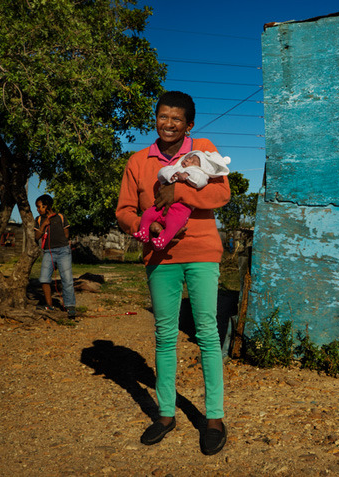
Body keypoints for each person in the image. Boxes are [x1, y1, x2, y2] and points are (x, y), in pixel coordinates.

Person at [116, 91, 231, 455]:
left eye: (176, 119)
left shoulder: (204, 150)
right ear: (156, 119)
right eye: (163, 116)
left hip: (201, 253)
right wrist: (144, 226)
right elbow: (124, 211)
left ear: (189, 125)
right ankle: (166, 414)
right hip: (159, 257)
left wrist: (179, 192)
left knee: (207, 333)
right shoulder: (139, 161)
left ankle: (214, 418)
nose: (168, 124)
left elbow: (221, 194)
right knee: (165, 335)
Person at [132, 149, 231, 250]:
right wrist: (170, 174)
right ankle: (143, 232)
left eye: (193, 161)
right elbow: (162, 172)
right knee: (147, 214)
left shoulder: (199, 173)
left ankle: (162, 241)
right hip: (160, 206)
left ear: (202, 167)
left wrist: (187, 176)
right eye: (189, 158)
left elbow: (201, 181)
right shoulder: (176, 168)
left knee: (173, 225)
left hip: (180, 210)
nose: (188, 160)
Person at [34, 194, 77, 318]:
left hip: (63, 251)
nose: (38, 209)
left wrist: (61, 243)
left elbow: (66, 234)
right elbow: (36, 237)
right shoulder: (39, 219)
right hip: (48, 252)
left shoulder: (60, 217)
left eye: (39, 206)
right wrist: (44, 225)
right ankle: (49, 305)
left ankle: (70, 306)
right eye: (37, 207)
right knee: (44, 278)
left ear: (47, 205)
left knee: (67, 279)